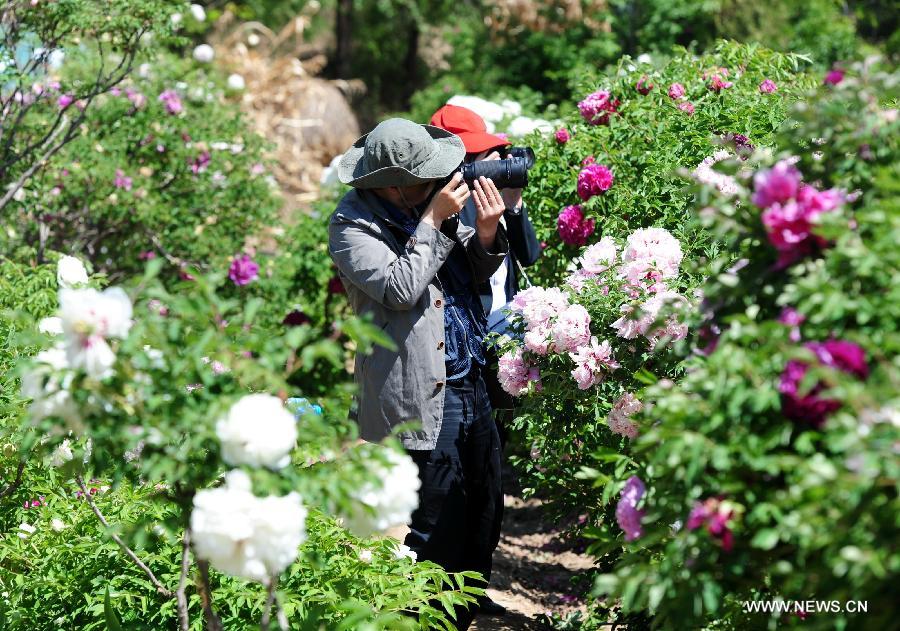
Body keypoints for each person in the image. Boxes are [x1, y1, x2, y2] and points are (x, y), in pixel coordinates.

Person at [328, 118, 509, 629]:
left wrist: (489, 232)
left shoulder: (427, 203)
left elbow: (471, 271)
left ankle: (462, 617)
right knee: (436, 528)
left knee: (482, 515)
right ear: (391, 183)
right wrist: (432, 222)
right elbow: (401, 288)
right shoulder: (352, 225)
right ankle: (425, 622)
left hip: (470, 377)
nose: (438, 180)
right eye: (424, 177)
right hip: (421, 394)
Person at [429, 104, 542, 617]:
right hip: (466, 343)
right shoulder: (442, 205)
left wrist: (513, 209)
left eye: (493, 153)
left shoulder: (493, 194)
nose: (490, 163)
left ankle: (472, 588)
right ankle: (444, 597)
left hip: (500, 334)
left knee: (490, 470)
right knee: (459, 483)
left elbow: (530, 256)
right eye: (478, 155)